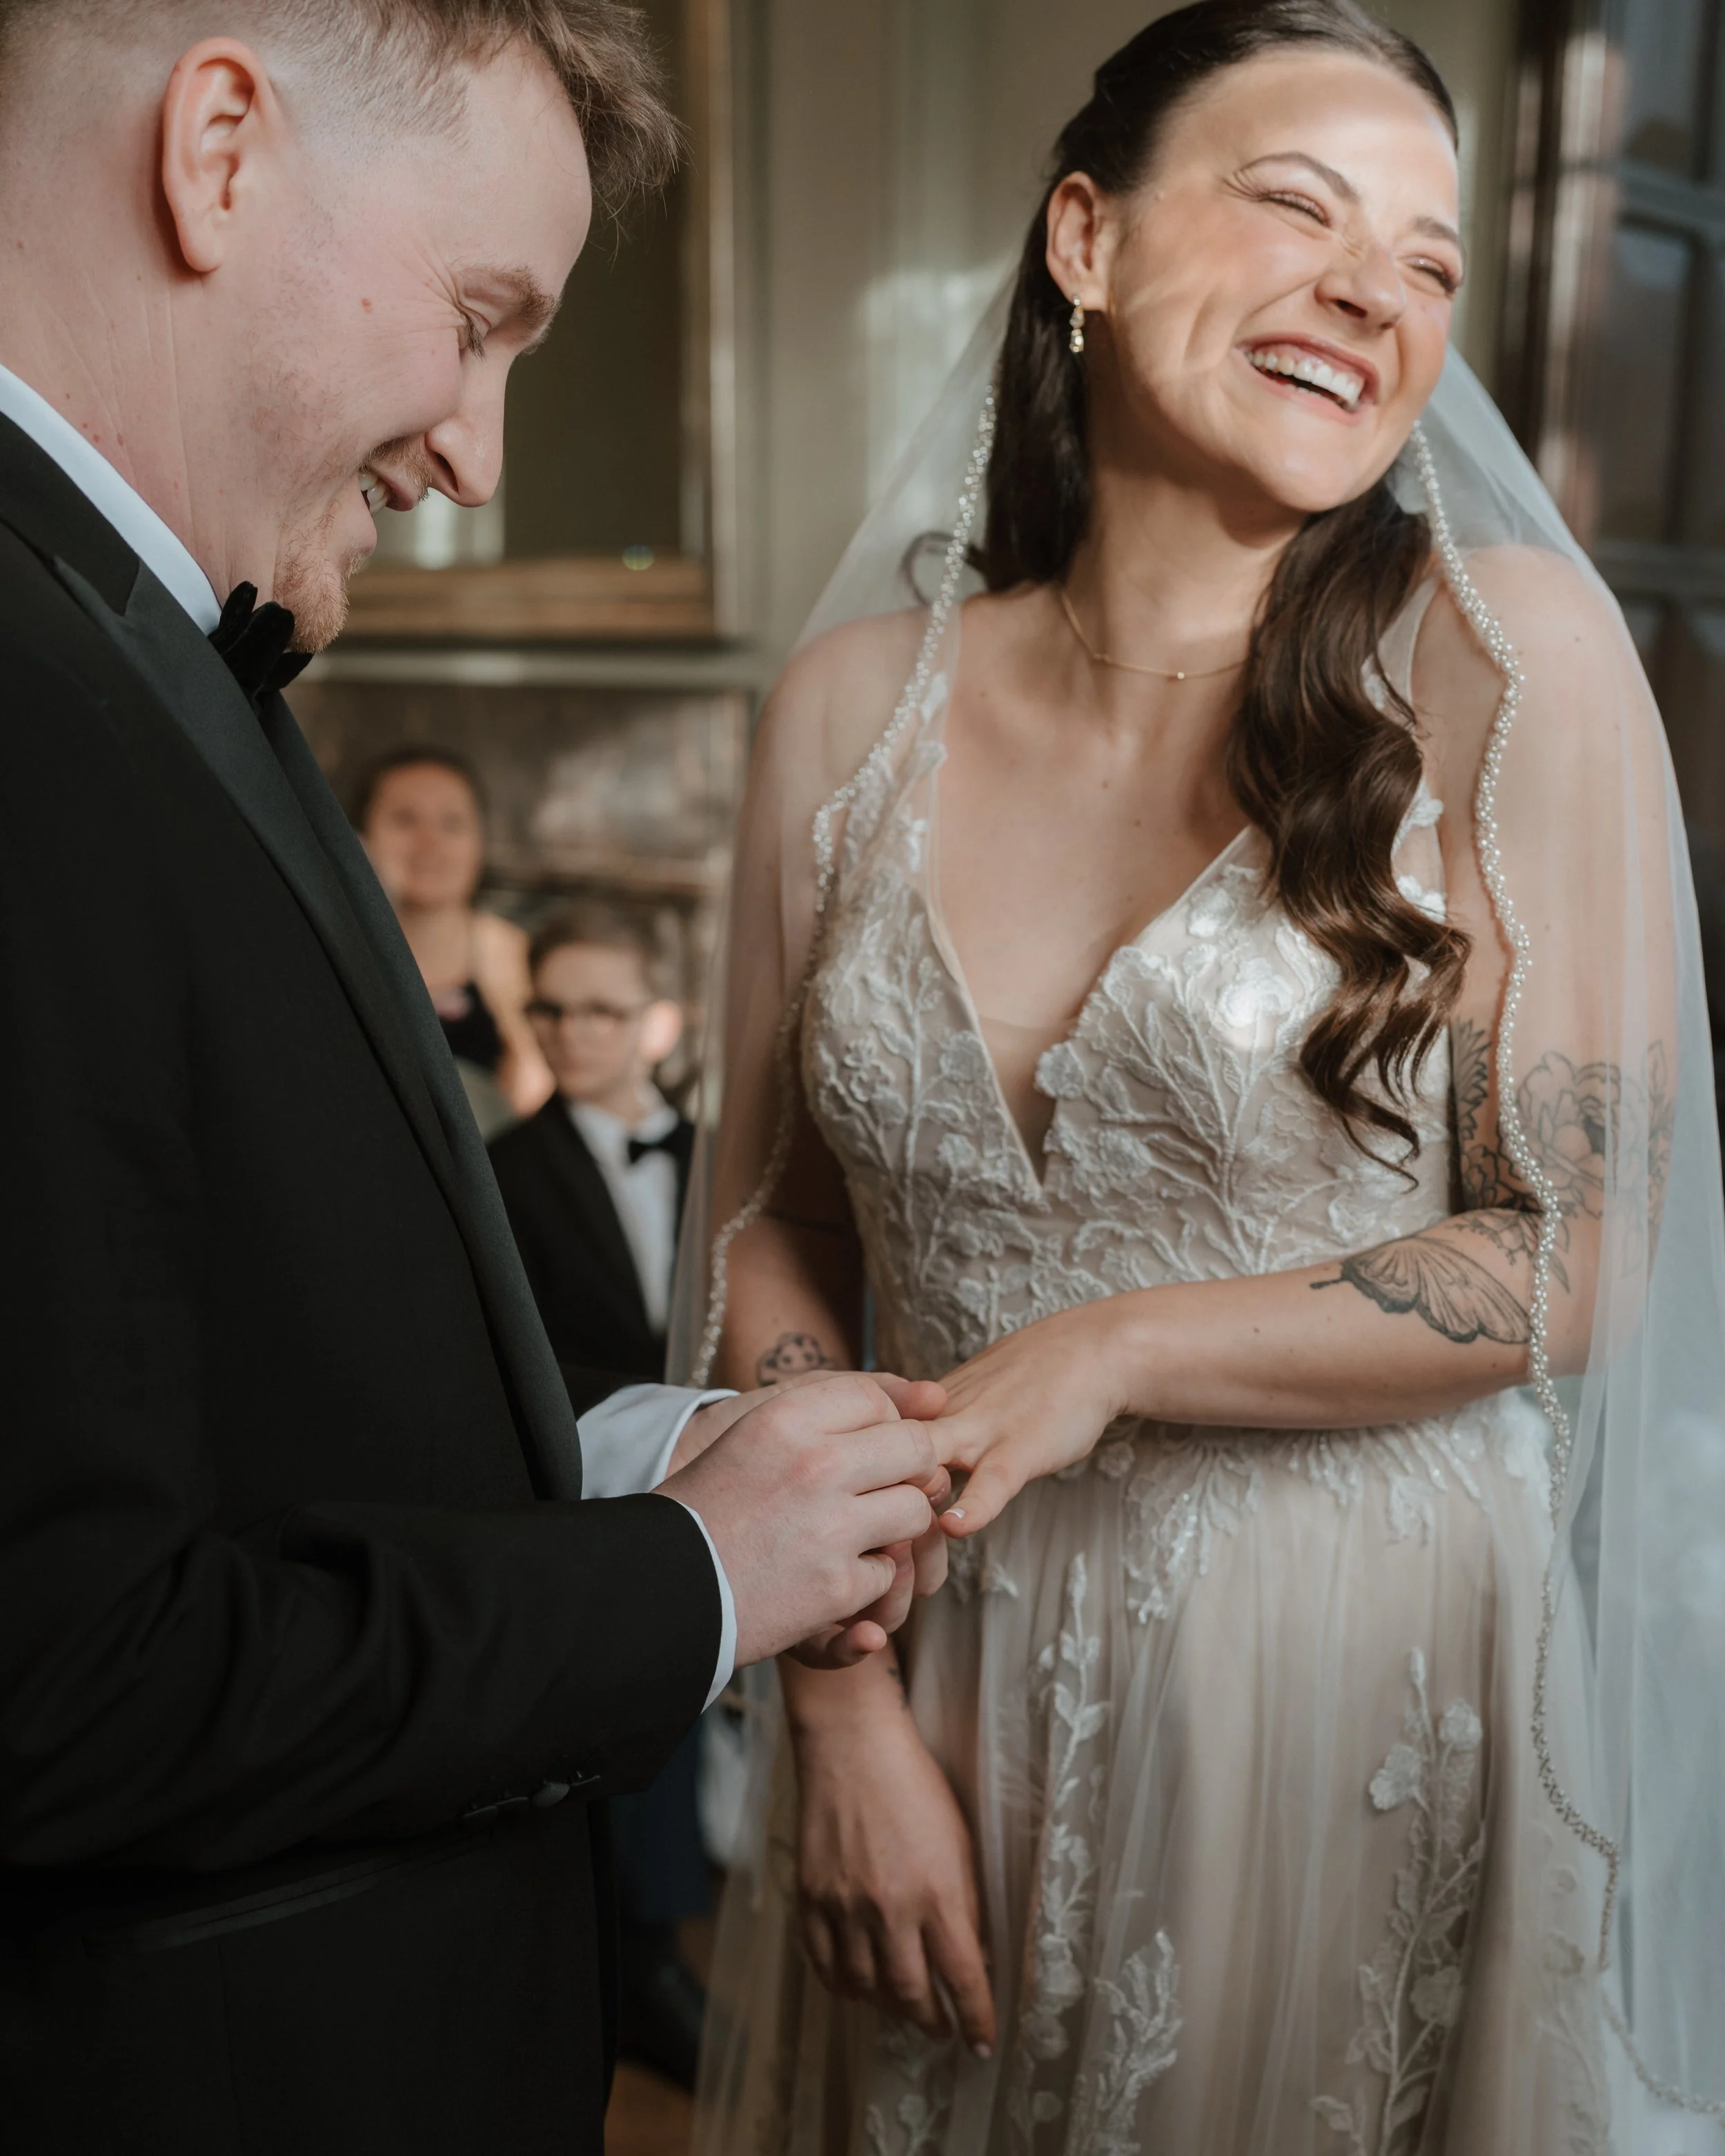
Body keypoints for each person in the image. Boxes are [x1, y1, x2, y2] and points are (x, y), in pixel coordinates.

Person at [689, 3, 1725, 2150]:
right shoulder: (847, 708)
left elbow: (1585, 1252)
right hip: (927, 1653)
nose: (1377, 291)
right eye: (1296, 205)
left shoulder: (1501, 660)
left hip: (1334, 1682)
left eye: (1427, 263)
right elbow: (768, 1218)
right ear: (1083, 235)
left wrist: (1113, 1348)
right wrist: (837, 1698)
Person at [0, 6, 954, 2153]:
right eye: (477, 320)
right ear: (219, 151)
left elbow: (205, 1410)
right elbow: (57, 1682)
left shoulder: (137, 657)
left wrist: (611, 1462)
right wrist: (687, 1575)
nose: (479, 454)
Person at [490, 900, 709, 2088]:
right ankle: (647, 1971)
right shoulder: (498, 1172)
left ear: (659, 1021)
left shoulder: (727, 1154)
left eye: (602, 1007)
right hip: (605, 1495)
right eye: (551, 1007)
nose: (573, 1030)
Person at [355, 745, 554, 1134]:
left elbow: (543, 1111)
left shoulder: (522, 960)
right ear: (360, 837)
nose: (429, 843)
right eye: (404, 820)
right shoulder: (334, 955)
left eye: (452, 824)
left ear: (480, 842)